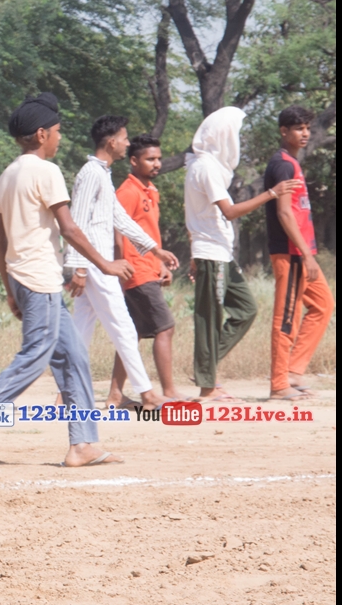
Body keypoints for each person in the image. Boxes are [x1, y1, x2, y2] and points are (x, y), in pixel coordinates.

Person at [0, 93, 133, 471]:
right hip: (40, 279)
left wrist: (9, 289)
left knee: (74, 358)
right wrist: (105, 264)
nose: (60, 138)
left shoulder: (9, 174)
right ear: (41, 134)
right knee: (35, 357)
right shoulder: (46, 172)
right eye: (57, 131)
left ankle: (83, 444)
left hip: (24, 278)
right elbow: (69, 228)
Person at [184, 107, 301, 401]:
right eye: (234, 134)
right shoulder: (205, 167)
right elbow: (230, 212)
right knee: (210, 318)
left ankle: (206, 368)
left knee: (246, 309)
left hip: (220, 253)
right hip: (211, 254)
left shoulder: (209, 167)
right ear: (223, 135)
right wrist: (271, 193)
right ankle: (207, 385)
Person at [66, 116, 180, 409]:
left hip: (96, 263)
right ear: (111, 141)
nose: (128, 143)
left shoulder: (102, 173)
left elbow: (120, 218)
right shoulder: (91, 174)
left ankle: (63, 396)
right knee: (125, 328)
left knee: (80, 331)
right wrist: (80, 267)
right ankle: (147, 394)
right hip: (96, 263)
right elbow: (76, 222)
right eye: (124, 138)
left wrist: (154, 250)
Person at [264, 105, 334, 400]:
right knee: (287, 318)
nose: (304, 133)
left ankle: (293, 372)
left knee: (323, 305)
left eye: (307, 128)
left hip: (302, 252)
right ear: (284, 131)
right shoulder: (282, 164)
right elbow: (284, 213)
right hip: (291, 253)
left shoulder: (292, 162)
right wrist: (306, 254)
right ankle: (279, 384)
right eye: (298, 128)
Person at [109, 134, 180, 401]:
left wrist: (160, 263)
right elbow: (118, 231)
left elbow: (148, 233)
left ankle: (115, 395)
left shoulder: (150, 190)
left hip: (149, 268)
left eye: (158, 158)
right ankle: (168, 391)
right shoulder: (127, 192)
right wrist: (120, 268)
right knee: (165, 327)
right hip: (135, 271)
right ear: (134, 161)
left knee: (133, 334)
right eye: (150, 159)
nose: (156, 163)